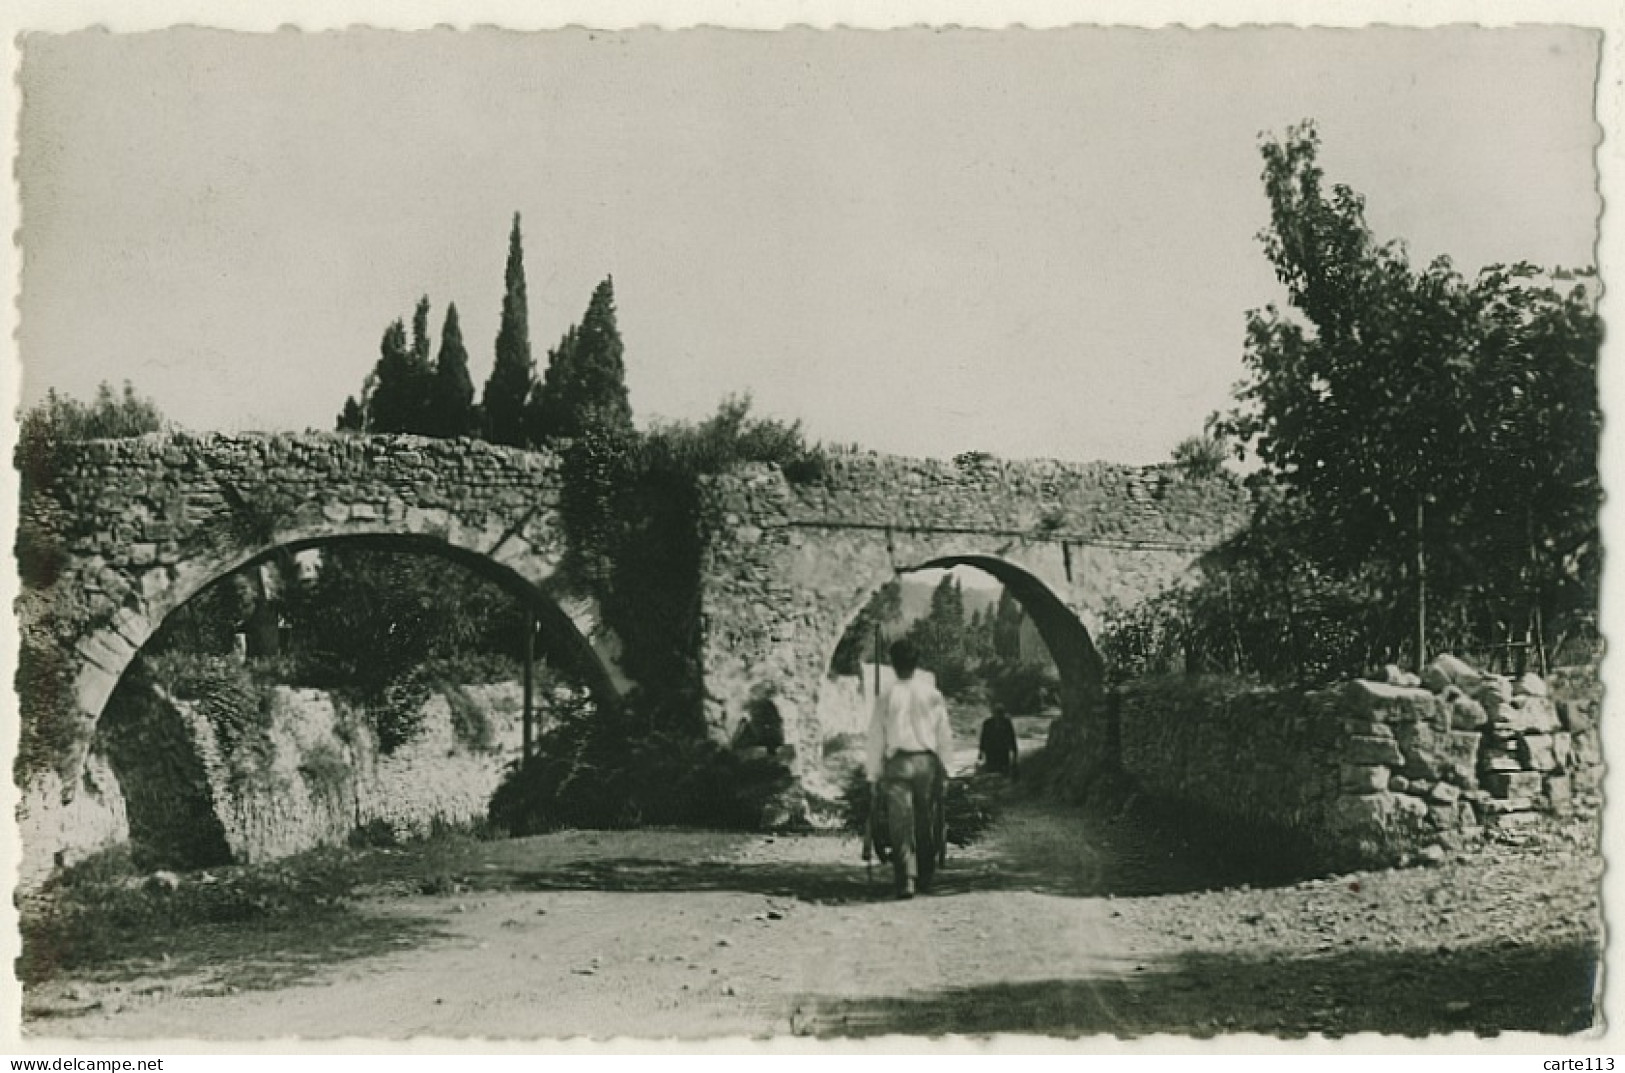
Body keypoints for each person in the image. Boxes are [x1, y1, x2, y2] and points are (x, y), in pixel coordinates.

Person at [865, 639, 954, 899]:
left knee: (900, 822)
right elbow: (943, 734)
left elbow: (875, 738)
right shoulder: (931, 694)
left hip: (899, 763)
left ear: (893, 665)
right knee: (925, 818)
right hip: (926, 763)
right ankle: (926, 874)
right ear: (916, 664)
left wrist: (872, 775)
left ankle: (907, 880)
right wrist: (947, 769)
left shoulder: (886, 695)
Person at [978, 702, 1020, 779]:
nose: (999, 715)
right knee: (992, 772)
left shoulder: (1006, 723)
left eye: (1000, 713)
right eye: (997, 712)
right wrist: (981, 751)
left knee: (1003, 772)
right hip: (991, 751)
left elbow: (1012, 737)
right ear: (993, 713)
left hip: (1003, 751)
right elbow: (983, 737)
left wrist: (1015, 752)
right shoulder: (987, 723)